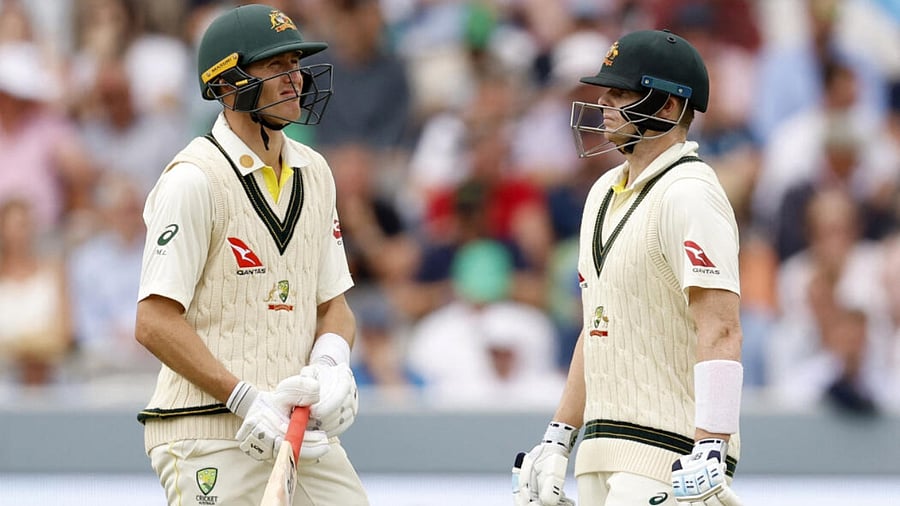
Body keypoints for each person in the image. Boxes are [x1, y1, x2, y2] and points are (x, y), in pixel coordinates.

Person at [133, 5, 368, 505]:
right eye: (275, 66)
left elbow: (334, 305)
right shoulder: (193, 180)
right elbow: (154, 320)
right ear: (226, 84)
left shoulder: (315, 170)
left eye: (296, 64)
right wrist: (244, 397)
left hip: (299, 429)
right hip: (207, 430)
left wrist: (331, 365)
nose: (296, 79)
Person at [513, 30, 744, 505]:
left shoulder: (690, 193)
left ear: (667, 107)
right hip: (601, 452)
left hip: (669, 453)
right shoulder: (601, 194)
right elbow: (597, 324)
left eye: (619, 93)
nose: (603, 103)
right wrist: (559, 435)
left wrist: (710, 444)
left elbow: (721, 327)